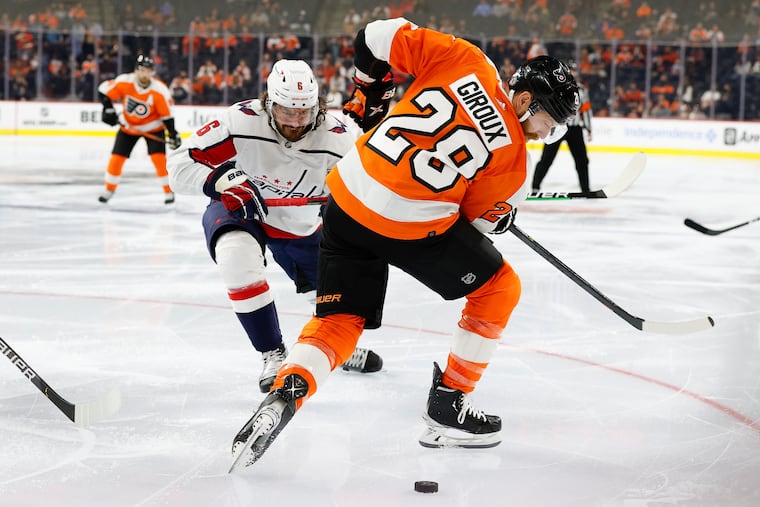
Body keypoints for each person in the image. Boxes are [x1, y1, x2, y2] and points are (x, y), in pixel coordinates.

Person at [229, 18, 579, 469]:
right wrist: (503, 216)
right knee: (499, 288)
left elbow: (373, 36)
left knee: (341, 317)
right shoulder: (512, 162)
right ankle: (448, 407)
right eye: (547, 121)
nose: (544, 133)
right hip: (410, 226)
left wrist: (372, 89)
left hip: (347, 199)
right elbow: (476, 226)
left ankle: (288, 391)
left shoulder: (466, 58)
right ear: (525, 99)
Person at [166, 59, 383, 394]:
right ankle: (272, 352)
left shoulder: (338, 139)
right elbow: (179, 166)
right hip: (241, 210)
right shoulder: (241, 121)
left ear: (317, 106)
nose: (296, 122)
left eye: (304, 112)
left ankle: (336, 345)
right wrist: (222, 179)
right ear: (269, 102)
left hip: (299, 221)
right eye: (286, 111)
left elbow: (367, 188)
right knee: (236, 261)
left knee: (330, 294)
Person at [97, 54, 182, 204]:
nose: (145, 74)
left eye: (148, 71)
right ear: (136, 70)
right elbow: (103, 90)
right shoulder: (124, 82)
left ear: (152, 72)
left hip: (153, 128)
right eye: (142, 70)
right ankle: (109, 189)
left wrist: (172, 134)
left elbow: (167, 116)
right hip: (129, 127)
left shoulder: (159, 90)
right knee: (116, 159)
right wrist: (108, 109)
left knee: (160, 161)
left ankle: (169, 192)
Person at [531, 60, 592, 195]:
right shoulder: (553, 87)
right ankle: (535, 186)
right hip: (557, 126)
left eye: (574, 70)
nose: (572, 73)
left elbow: (586, 110)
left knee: (582, 160)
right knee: (547, 159)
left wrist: (589, 128)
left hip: (575, 129)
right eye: (570, 70)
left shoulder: (581, 89)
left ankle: (586, 189)